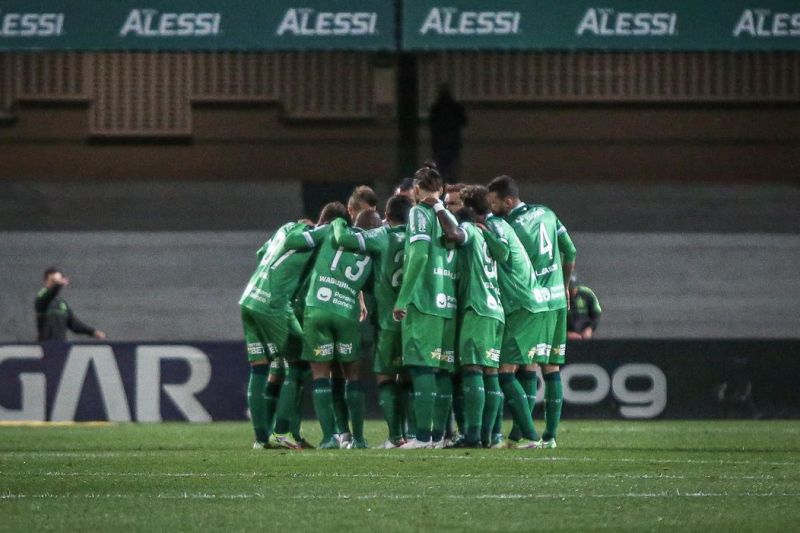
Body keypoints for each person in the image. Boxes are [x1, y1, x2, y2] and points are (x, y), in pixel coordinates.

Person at [487, 175, 576, 449]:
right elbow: (570, 251)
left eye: (494, 203)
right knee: (550, 367)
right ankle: (548, 437)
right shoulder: (547, 213)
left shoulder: (509, 226)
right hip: (557, 299)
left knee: (511, 367)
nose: (491, 208)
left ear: (508, 201)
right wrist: (564, 287)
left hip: (531, 301)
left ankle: (526, 434)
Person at [280, 202, 373, 449]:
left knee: (321, 375)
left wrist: (305, 229)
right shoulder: (375, 243)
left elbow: (291, 242)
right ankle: (358, 438)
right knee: (351, 376)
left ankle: (329, 438)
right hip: (347, 313)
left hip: (318, 308)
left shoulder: (330, 231)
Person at [426, 194, 508, 448]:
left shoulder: (470, 229)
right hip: (495, 310)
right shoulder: (486, 235)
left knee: (473, 369)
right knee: (490, 372)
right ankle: (487, 436)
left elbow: (454, 234)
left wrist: (437, 206)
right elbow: (504, 254)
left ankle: (473, 436)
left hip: (477, 308)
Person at [333, 196, 413, 448]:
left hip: (389, 320)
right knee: (412, 376)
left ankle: (395, 437)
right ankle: (418, 435)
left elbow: (345, 239)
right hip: (418, 320)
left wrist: (338, 223)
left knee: (385, 376)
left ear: (387, 217)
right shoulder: (420, 237)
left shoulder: (382, 236)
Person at [239, 213, 322, 449]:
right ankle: (283, 432)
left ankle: (261, 439)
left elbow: (260, 254)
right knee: (298, 363)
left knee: (261, 367)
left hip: (250, 299)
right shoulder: (304, 239)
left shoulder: (281, 233)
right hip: (274, 306)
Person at [393, 164, 458, 449]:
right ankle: (439, 437)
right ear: (441, 190)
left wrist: (403, 298)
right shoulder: (447, 216)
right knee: (442, 370)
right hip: (447, 301)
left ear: (417, 189)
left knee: (422, 369)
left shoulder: (419, 212)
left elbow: (419, 256)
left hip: (424, 300)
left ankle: (421, 437)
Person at [35, 267, 106, 342]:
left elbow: (74, 324)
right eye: (53, 281)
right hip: (45, 345)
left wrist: (93, 332)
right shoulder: (41, 297)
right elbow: (48, 295)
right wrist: (58, 285)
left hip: (61, 345)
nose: (56, 283)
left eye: (58, 280)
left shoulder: (62, 304)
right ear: (45, 281)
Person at [429, 85, 467, 183]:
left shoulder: (436, 108)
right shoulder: (456, 107)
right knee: (452, 168)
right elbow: (464, 121)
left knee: (441, 168)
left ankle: (442, 184)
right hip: (453, 142)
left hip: (439, 143)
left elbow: (432, 124)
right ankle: (451, 183)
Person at [567, 273, 602, 340]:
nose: (574, 291)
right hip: (564, 340)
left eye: (575, 287)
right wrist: (565, 335)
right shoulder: (557, 298)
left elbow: (596, 315)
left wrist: (590, 329)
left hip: (585, 338)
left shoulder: (587, 293)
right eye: (570, 289)